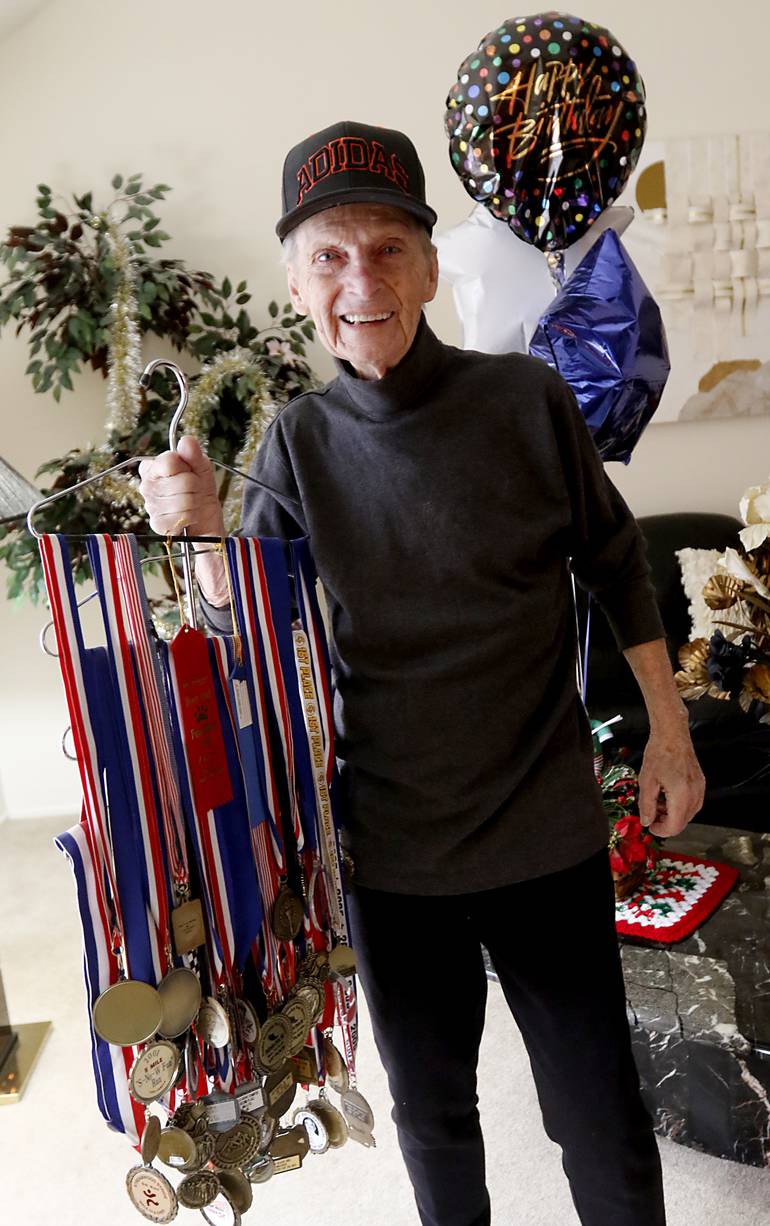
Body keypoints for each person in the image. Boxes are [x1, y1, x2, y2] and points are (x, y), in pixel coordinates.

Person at [139, 120, 705, 1226]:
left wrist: (669, 733)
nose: (362, 279)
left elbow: (614, 564)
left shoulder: (525, 401)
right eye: (331, 255)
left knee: (597, 1116)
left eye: (388, 249)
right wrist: (205, 536)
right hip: (393, 856)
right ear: (298, 283)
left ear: (432, 266)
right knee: (435, 1121)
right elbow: (252, 630)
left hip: (543, 832)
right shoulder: (297, 444)